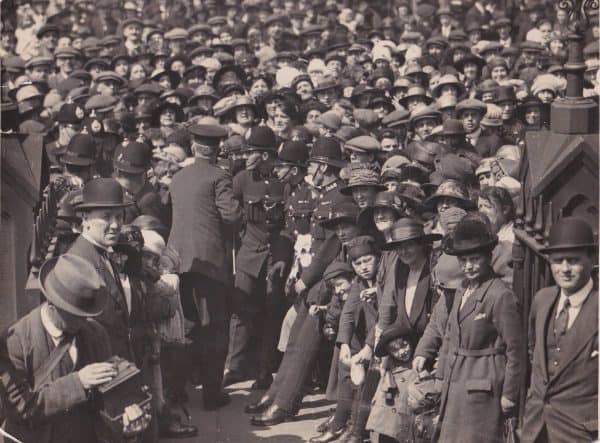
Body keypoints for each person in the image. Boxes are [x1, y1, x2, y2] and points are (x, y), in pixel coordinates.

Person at [3, 253, 132, 443]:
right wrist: (79, 382)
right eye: (75, 314)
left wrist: (125, 422)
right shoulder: (14, 342)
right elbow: (21, 408)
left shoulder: (96, 333)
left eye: (87, 313)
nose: (84, 320)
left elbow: (108, 400)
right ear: (52, 304)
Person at [167, 123, 242, 411]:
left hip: (177, 260)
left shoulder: (178, 177)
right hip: (208, 263)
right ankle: (212, 394)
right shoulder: (219, 176)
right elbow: (232, 215)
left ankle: (176, 391)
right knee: (213, 328)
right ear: (217, 147)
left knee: (185, 328)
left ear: (193, 146)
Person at [434, 215, 523, 443]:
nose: (469, 266)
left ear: (488, 257)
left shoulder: (500, 295)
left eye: (475, 259)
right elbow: (449, 335)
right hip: (456, 379)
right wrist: (441, 374)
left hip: (483, 384)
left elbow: (516, 351)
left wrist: (509, 394)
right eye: (463, 261)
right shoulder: (463, 289)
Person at [521, 217, 598, 443]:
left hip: (581, 432)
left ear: (591, 259)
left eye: (573, 261)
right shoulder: (542, 300)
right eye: (558, 260)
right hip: (536, 428)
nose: (564, 269)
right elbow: (533, 354)